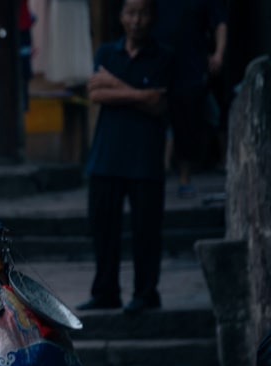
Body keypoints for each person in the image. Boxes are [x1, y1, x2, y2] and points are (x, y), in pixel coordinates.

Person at [77, 0, 172, 315]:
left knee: (146, 232)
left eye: (144, 13)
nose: (137, 20)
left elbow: (160, 105)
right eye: (131, 13)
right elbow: (95, 93)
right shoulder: (106, 52)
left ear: (152, 18)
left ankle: (146, 293)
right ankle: (106, 292)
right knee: (104, 231)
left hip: (145, 159)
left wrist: (116, 87)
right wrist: (142, 94)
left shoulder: (162, 56)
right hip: (105, 157)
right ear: (121, 17)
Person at [152, 0, 227, 198]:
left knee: (188, 123)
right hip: (158, 63)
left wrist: (218, 53)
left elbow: (220, 22)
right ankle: (155, 174)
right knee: (153, 119)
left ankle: (185, 177)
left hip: (190, 65)